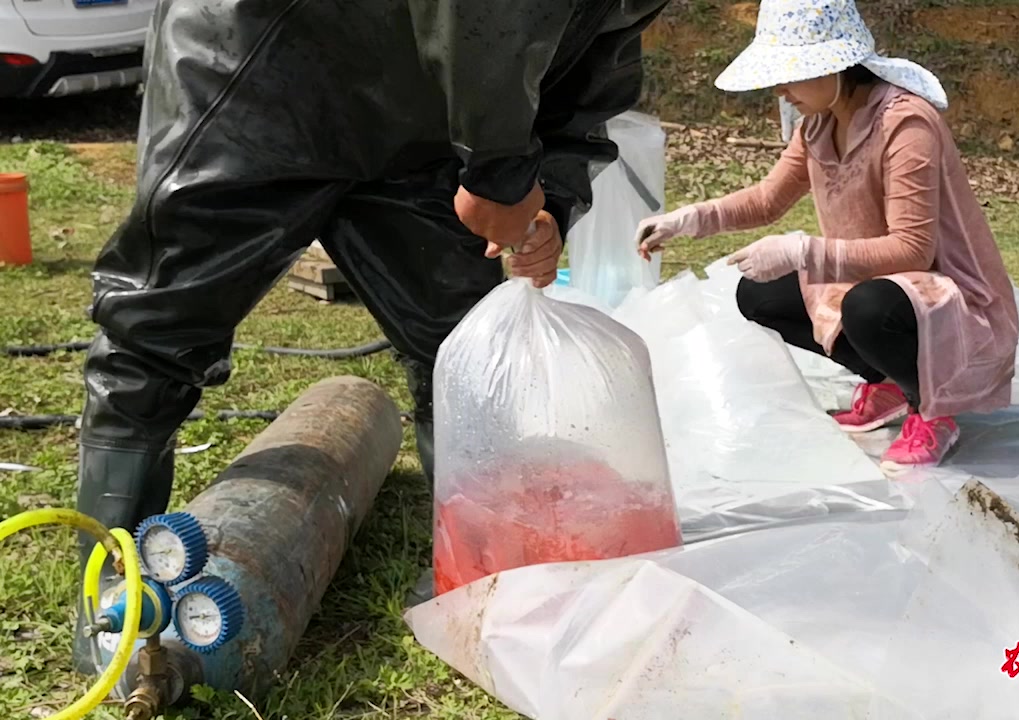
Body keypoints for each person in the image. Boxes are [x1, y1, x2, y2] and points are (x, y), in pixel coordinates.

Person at [73, 0, 670, 670]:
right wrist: (499, 171)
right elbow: (492, 16)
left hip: (418, 119)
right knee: (159, 317)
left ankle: (472, 564)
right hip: (259, 62)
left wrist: (550, 197)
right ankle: (111, 595)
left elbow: (597, 63)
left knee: (459, 337)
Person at [634, 0, 1019, 473]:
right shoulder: (817, 124)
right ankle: (889, 382)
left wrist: (802, 250)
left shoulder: (905, 124)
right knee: (758, 294)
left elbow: (913, 248)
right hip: (878, 285)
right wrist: (690, 219)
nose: (781, 89)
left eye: (790, 73)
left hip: (951, 301)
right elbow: (767, 199)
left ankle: (933, 410)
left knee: (868, 308)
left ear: (833, 64)